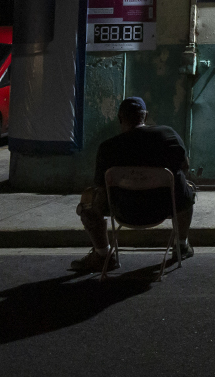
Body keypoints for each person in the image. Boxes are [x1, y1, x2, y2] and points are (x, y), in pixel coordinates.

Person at [69, 96, 196, 273]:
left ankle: (102, 255)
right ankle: (181, 245)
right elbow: (185, 166)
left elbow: (100, 185)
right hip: (164, 207)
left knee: (87, 199)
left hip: (123, 210)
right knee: (186, 185)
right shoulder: (168, 135)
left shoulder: (108, 148)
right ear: (145, 116)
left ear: (120, 118)